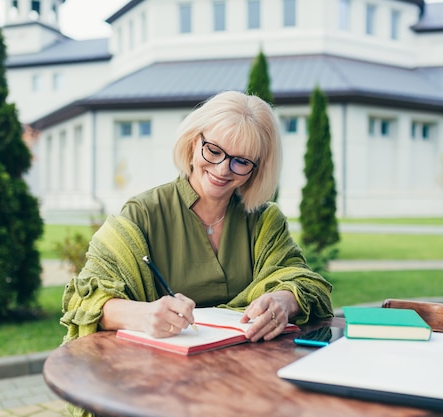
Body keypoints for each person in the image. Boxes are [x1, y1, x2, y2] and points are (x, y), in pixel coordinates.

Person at [61, 90, 333, 349]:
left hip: (247, 373)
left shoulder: (264, 220)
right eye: (214, 151)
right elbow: (82, 300)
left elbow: (307, 284)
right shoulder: (142, 214)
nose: (222, 169)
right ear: (194, 142)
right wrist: (144, 315)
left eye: (241, 161)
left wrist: (284, 301)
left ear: (256, 169)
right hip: (158, 378)